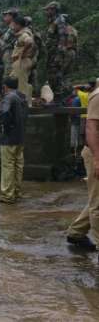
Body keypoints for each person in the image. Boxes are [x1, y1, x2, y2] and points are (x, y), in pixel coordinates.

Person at [67, 77, 99, 253]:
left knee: (97, 197)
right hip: (96, 152)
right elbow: (91, 128)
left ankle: (76, 232)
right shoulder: (98, 96)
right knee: (98, 204)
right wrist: (96, 159)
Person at [0, 77, 28, 204]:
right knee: (18, 165)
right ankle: (17, 192)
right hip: (20, 136)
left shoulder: (8, 97)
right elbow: (26, 115)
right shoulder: (22, 97)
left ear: (5, 86)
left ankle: (7, 195)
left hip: (9, 138)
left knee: (8, 166)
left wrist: (5, 128)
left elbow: (5, 113)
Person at [44, 1, 78, 105]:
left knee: (55, 75)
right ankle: (62, 97)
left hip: (58, 53)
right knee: (59, 76)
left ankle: (59, 98)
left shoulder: (59, 21)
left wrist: (59, 55)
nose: (46, 12)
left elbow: (62, 38)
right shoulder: (54, 21)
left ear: (54, 9)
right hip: (55, 52)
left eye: (48, 9)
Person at [10, 15, 34, 106]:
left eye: (14, 25)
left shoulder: (24, 34)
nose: (13, 27)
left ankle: (24, 104)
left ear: (18, 25)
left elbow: (29, 41)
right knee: (23, 83)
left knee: (21, 85)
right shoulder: (22, 34)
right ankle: (26, 103)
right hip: (21, 62)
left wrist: (22, 52)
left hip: (22, 61)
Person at [2, 8, 20, 76]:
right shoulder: (12, 27)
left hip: (12, 55)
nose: (4, 18)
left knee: (10, 76)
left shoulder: (14, 27)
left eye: (6, 16)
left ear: (11, 16)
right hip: (10, 55)